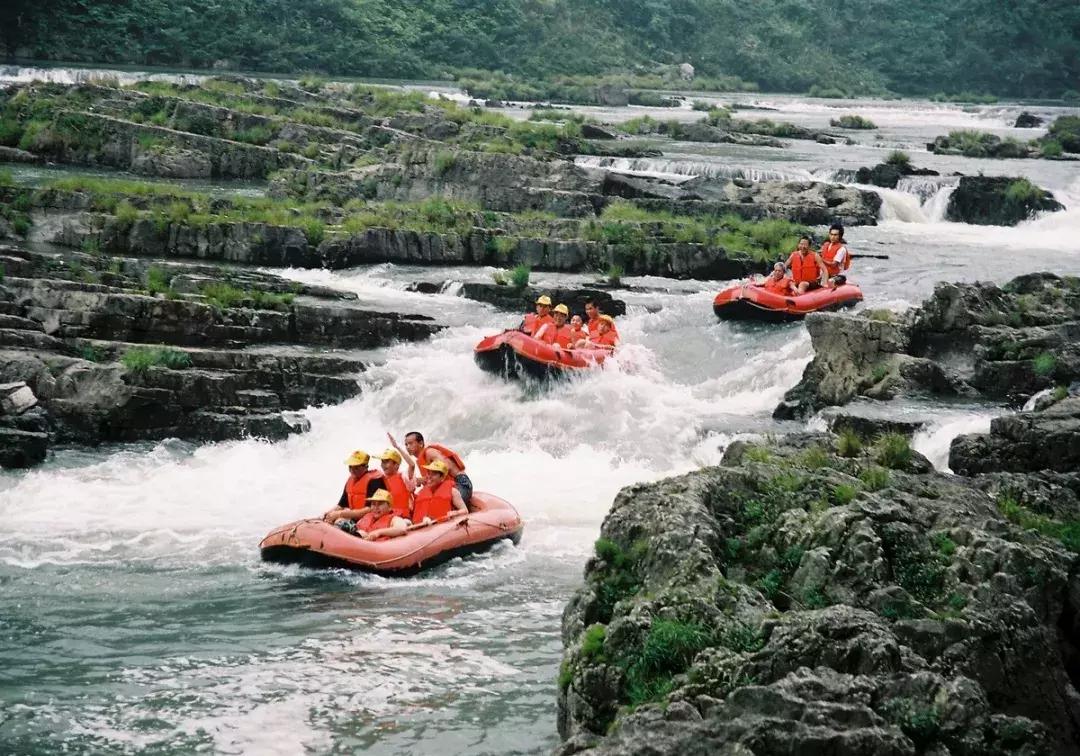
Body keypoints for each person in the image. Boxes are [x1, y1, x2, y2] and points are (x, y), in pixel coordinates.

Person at [402, 431, 473, 505]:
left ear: (420, 443)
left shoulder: (429, 452)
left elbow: (445, 467)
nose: (408, 447)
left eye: (410, 443)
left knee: (440, 506)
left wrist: (422, 480)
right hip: (452, 487)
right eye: (406, 444)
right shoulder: (422, 458)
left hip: (461, 483)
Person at [322, 450, 385, 523]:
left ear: (366, 467)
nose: (352, 470)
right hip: (354, 516)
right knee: (330, 519)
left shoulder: (375, 481)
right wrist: (328, 513)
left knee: (339, 521)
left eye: (356, 467)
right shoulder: (350, 480)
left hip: (369, 519)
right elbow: (341, 505)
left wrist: (340, 514)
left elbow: (370, 509)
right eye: (350, 467)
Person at [335, 489, 412, 539]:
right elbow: (357, 527)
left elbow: (401, 529)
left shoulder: (394, 519)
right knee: (341, 522)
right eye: (373, 504)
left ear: (389, 507)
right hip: (359, 544)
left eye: (380, 504)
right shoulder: (367, 517)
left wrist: (378, 532)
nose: (376, 507)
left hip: (378, 550)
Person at [411, 460, 467, 524]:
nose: (429, 477)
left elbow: (465, 510)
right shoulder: (420, 493)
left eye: (434, 474)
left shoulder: (453, 491)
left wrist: (456, 513)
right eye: (429, 473)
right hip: (420, 528)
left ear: (442, 477)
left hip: (442, 526)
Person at [372, 446, 416, 519]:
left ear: (396, 465)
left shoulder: (404, 477)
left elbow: (412, 465)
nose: (383, 465)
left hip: (402, 518)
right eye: (382, 462)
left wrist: (397, 447)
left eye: (386, 462)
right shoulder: (378, 480)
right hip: (384, 518)